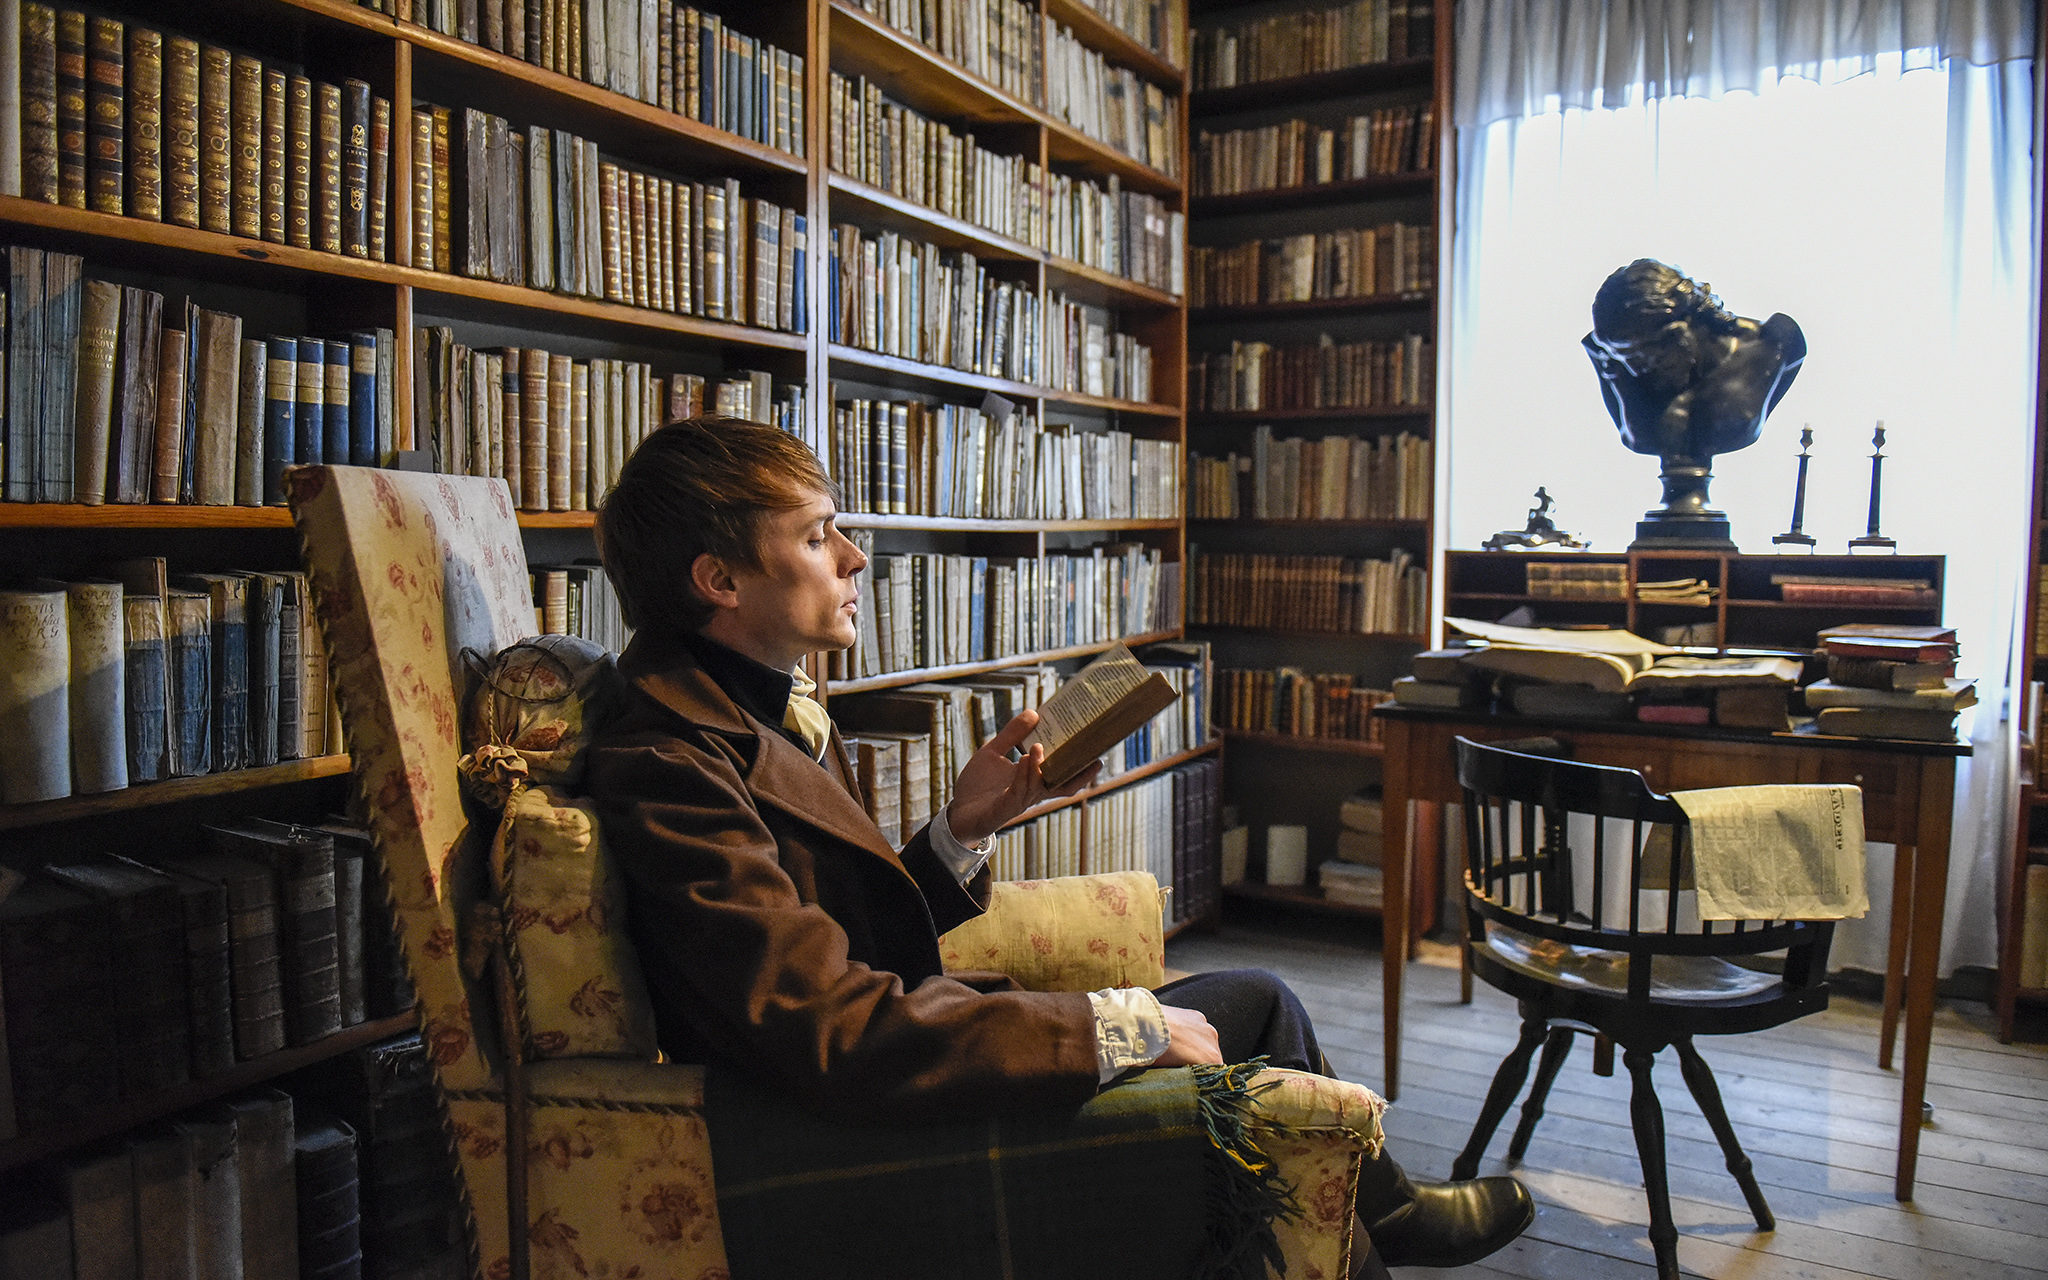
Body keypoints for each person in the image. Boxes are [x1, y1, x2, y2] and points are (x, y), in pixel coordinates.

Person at [584, 416, 1534, 1276]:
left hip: (884, 1070)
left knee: (1259, 999)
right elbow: (824, 1027)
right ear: (719, 579)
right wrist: (1121, 1027)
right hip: (831, 1142)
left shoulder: (757, 704)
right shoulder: (668, 758)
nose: (855, 557)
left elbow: (837, 930)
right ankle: (1378, 1238)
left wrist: (964, 828)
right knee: (1231, 1050)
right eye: (815, 535)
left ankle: (1384, 1221)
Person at [1583, 258, 1807, 462]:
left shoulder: (1771, 343)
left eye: (1643, 354)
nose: (1634, 371)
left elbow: (1727, 419)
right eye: (1623, 359)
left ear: (1682, 327)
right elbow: (1642, 437)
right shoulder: (1615, 364)